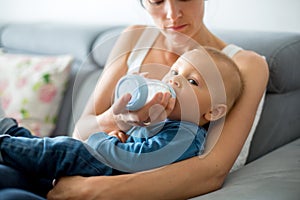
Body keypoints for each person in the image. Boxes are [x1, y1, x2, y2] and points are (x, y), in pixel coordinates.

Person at [1, 0, 269, 199]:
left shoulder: (245, 65)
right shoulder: (134, 38)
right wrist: (119, 121)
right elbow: (80, 132)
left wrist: (93, 190)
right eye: (156, 0)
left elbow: (212, 170)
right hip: (81, 164)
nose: (172, 14)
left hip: (108, 184)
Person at [0, 48, 243, 197]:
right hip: (105, 163)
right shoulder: (164, 122)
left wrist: (104, 143)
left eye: (192, 82)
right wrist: (123, 131)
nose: (176, 81)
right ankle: (12, 133)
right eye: (175, 71)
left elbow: (138, 160)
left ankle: (5, 143)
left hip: (108, 173)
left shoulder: (186, 137)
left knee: (62, 149)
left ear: (212, 112)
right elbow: (138, 143)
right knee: (47, 151)